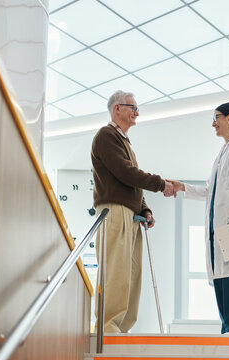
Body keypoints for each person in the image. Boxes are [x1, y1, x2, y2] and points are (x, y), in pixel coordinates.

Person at [169, 102, 229, 334]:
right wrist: (182, 187)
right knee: (222, 282)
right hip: (219, 230)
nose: (213, 123)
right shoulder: (221, 153)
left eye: (216, 117)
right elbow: (211, 191)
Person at [91, 90, 174, 333]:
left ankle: (121, 328)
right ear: (117, 109)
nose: (136, 113)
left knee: (131, 275)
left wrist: (145, 208)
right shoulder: (107, 135)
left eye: (137, 109)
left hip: (131, 215)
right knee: (116, 271)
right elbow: (126, 173)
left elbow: (131, 181)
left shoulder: (124, 140)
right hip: (115, 212)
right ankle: (108, 327)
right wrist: (161, 184)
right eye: (132, 108)